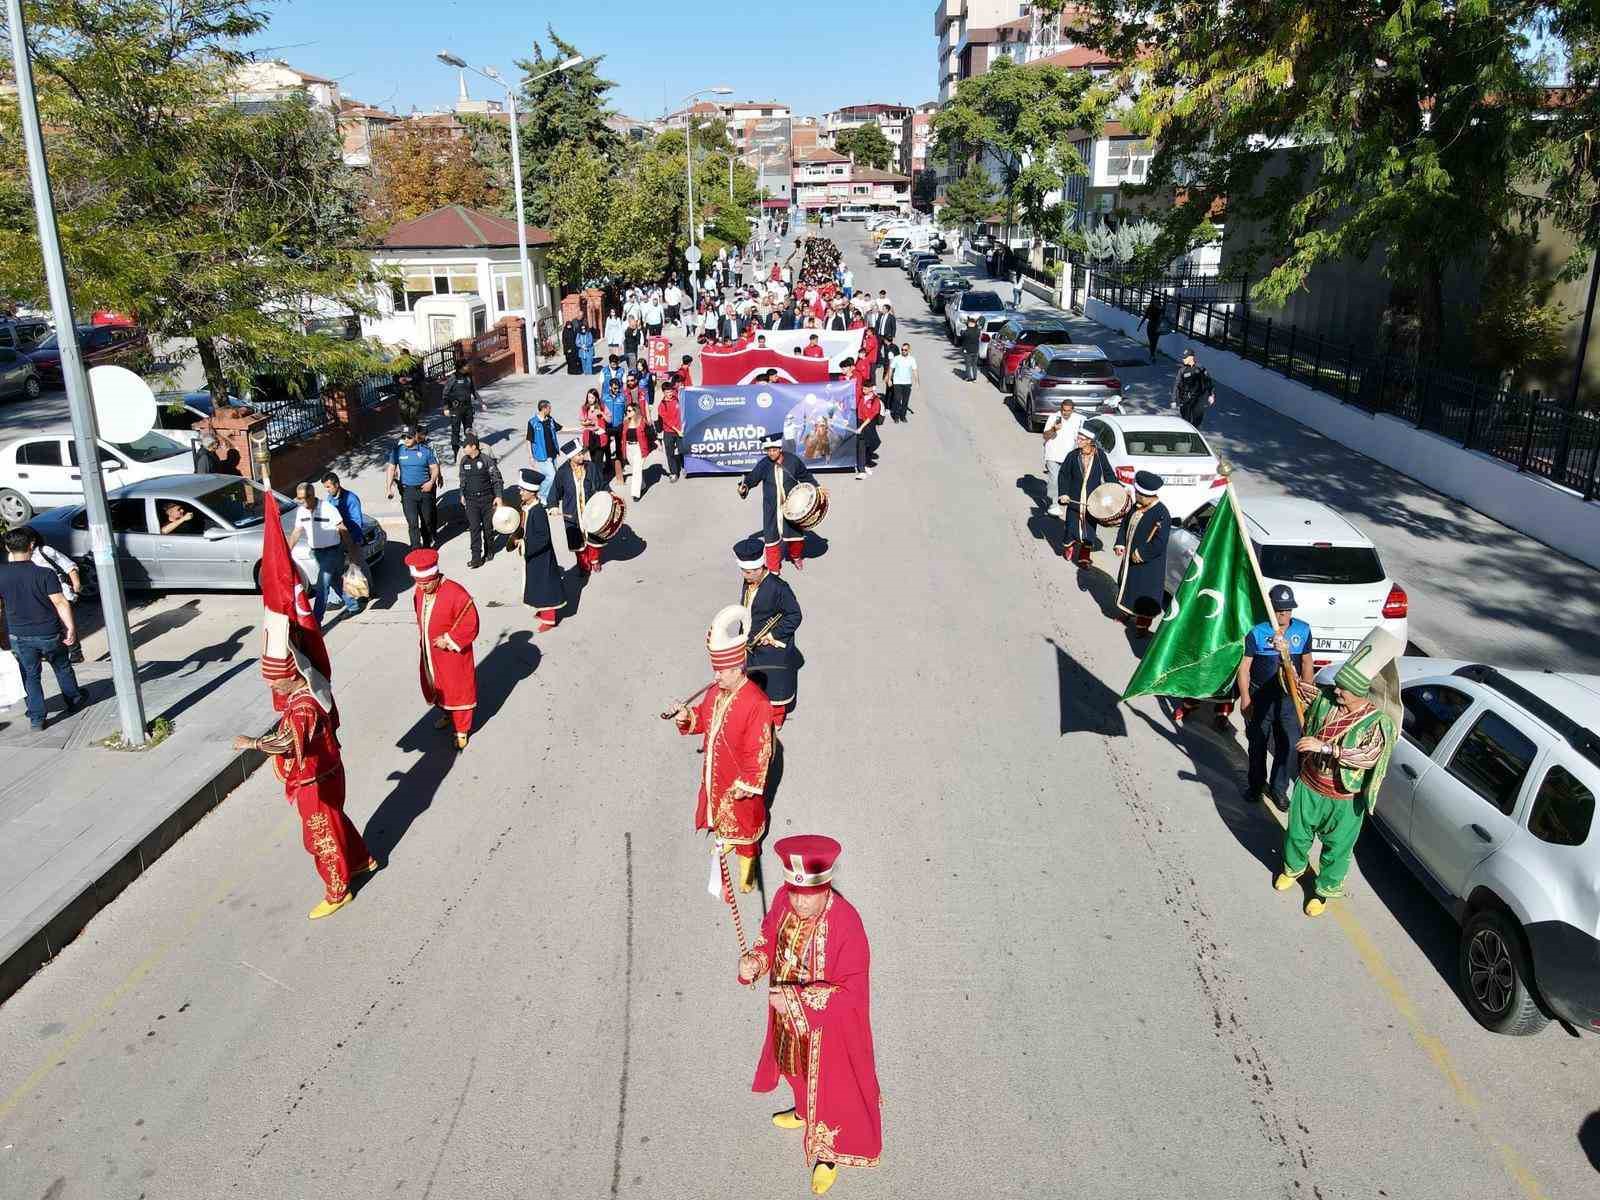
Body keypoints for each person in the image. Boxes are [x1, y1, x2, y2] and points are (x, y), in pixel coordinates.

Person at [737, 834, 882, 1197]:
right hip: (787, 1019)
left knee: (831, 1091)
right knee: (792, 1069)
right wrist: (756, 961)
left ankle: (826, 1155)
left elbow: (852, 992)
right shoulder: (785, 901)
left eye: (809, 895)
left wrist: (797, 1002)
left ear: (826, 886)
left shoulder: (848, 923)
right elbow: (769, 936)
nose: (800, 902)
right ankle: (802, 1111)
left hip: (827, 1032)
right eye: (795, 893)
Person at [232, 635, 374, 920]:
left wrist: (253, 743)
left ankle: (338, 890)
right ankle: (360, 860)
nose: (271, 686)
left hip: (315, 781)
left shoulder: (303, 708)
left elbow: (287, 742)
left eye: (275, 681)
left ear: (292, 676)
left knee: (321, 836)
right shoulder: (311, 692)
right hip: (329, 772)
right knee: (336, 821)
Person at [1274, 628, 1401, 917]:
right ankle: (1293, 868)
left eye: (1343, 688)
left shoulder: (1378, 722)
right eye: (1338, 686)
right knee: (1296, 833)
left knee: (1336, 848)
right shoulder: (1326, 698)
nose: (1337, 690)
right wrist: (1284, 656)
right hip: (1310, 784)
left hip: (1344, 798)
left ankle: (1322, 890)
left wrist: (1327, 749)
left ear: (1359, 692)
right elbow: (1296, 687)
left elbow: (1369, 757)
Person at [664, 604, 773, 894]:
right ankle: (725, 858)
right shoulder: (716, 691)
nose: (716, 676)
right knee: (722, 824)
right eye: (715, 670)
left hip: (738, 783)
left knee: (745, 832)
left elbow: (760, 752)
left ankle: (747, 874)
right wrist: (688, 717)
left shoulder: (758, 704)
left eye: (722, 670)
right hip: (716, 775)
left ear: (739, 669)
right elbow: (703, 719)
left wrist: (748, 785)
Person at [1238, 584, 1315, 811]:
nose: (1284, 614)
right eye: (1279, 610)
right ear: (1270, 608)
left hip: (1289, 699)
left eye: (1287, 610)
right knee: (1258, 742)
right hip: (1260, 696)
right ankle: (1255, 785)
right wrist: (1245, 698)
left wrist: (1306, 694)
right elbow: (1244, 667)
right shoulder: (1257, 631)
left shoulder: (1303, 630)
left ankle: (1278, 789)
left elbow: (1307, 662)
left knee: (1289, 745)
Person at [0, 526, 85, 730]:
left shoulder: (1, 574)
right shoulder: (45, 574)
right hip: (48, 631)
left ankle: (37, 718)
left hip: (19, 634)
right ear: (31, 545)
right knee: (62, 666)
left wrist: (2, 632)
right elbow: (60, 603)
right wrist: (70, 628)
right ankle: (74, 700)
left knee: (29, 675)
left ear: (7, 548)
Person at [406, 548, 478, 750]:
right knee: (438, 686)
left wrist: (450, 639)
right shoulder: (419, 591)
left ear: (436, 575)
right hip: (430, 651)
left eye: (426, 583)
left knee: (458, 690)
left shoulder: (457, 593)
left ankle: (462, 729)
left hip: (452, 654)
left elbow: (470, 623)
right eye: (419, 583)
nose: (423, 587)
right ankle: (448, 714)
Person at [733, 536, 803, 728]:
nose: (744, 575)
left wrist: (772, 635)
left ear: (759, 568)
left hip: (773, 648)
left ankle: (776, 718)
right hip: (752, 644)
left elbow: (794, 615)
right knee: (755, 683)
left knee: (775, 685)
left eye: (747, 572)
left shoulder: (779, 588)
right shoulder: (748, 582)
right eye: (743, 571)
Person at [739, 432, 818, 573]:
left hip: (792, 506)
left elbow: (805, 476)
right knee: (771, 540)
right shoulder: (764, 464)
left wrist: (818, 489)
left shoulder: (793, 461)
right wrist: (744, 487)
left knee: (796, 538)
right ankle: (774, 568)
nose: (771, 453)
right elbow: (752, 478)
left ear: (780, 449)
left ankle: (796, 556)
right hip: (771, 508)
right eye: (768, 450)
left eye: (774, 450)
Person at [287, 481, 361, 620]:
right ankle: (353, 605)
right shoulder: (301, 511)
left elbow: (343, 529)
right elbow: (297, 532)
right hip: (317, 553)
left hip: (333, 551)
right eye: (299, 498)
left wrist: (351, 550)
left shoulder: (328, 508)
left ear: (312, 495)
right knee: (334, 581)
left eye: (304, 498)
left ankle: (316, 620)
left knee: (322, 585)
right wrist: (287, 551)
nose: (301, 502)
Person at [1112, 471, 1170, 635]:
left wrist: (1142, 554)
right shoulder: (1136, 507)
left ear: (1147, 496)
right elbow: (1125, 525)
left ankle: (1142, 625)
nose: (1135, 495)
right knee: (1128, 586)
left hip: (1148, 565)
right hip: (1130, 559)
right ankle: (1127, 613)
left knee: (1145, 594)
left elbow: (1159, 542)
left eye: (1138, 494)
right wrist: (1120, 543)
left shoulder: (1162, 514)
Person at [511, 470, 564, 632]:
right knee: (534, 583)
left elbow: (543, 538)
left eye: (522, 490)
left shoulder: (538, 511)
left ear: (532, 493)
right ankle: (541, 608)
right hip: (533, 555)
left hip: (542, 555)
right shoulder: (527, 507)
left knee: (544, 585)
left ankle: (549, 619)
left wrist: (525, 544)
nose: (520, 493)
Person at [548, 439, 610, 577]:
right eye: (579, 454)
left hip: (591, 508)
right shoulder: (562, 472)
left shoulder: (591, 467)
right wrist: (552, 506)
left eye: (583, 453)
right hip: (573, 512)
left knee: (594, 535)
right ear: (571, 457)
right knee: (577, 539)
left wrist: (610, 495)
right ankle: (583, 564)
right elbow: (555, 491)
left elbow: (602, 484)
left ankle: (594, 560)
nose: (583, 457)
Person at [1057, 427, 1116, 569]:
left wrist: (1116, 489)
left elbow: (1108, 474)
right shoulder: (1072, 456)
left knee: (1089, 529)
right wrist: (1063, 493)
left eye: (1081, 439)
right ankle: (1069, 545)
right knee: (1071, 525)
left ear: (1090, 441)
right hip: (1074, 497)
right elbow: (1064, 475)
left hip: (1092, 499)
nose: (1078, 441)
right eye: (1077, 438)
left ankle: (1084, 557)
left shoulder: (1100, 456)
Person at [23, 527, 83, 662]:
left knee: (63, 622)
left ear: (32, 541)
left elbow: (68, 565)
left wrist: (76, 584)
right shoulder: (18, 556)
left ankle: (75, 652)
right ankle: (53, 651)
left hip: (59, 593)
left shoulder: (45, 551)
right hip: (39, 597)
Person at [386, 425, 441, 550]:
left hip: (424, 491)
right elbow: (391, 468)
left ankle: (427, 545)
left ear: (415, 437)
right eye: (404, 437)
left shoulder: (425, 451)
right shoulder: (398, 451)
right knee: (412, 523)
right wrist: (389, 488)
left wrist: (431, 482)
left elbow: (434, 467)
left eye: (409, 437)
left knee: (426, 521)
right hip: (408, 492)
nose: (406, 439)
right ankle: (416, 549)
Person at [456, 433, 505, 569]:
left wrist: (498, 496)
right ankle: (476, 557)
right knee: (474, 529)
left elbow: (497, 479)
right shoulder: (464, 461)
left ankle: (490, 550)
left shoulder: (486, 460)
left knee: (488, 528)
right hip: (471, 500)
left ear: (473, 447)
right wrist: (462, 494)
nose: (463, 449)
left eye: (465, 446)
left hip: (486, 499)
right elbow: (462, 480)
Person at [524, 399, 563, 505]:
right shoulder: (532, 422)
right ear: (544, 408)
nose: (551, 410)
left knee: (550, 477)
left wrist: (580, 428)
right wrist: (530, 457)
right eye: (549, 408)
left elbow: (561, 428)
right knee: (551, 476)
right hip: (542, 456)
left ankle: (550, 496)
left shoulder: (550, 420)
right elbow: (529, 441)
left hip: (552, 454)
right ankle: (542, 496)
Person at [1042, 395, 1082, 491]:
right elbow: (1045, 436)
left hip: (1068, 456)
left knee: (1066, 480)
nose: (1066, 413)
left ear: (1073, 410)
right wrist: (1054, 429)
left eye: (1068, 411)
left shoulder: (1078, 419)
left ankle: (1063, 498)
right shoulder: (1054, 417)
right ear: (1061, 409)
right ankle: (1053, 504)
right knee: (1054, 480)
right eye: (1064, 410)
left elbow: (1079, 436)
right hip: (1053, 455)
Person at [620, 399, 655, 503]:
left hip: (639, 448)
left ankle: (635, 493)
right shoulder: (626, 422)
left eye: (630, 410)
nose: (627, 412)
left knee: (636, 470)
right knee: (636, 469)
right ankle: (643, 485)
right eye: (627, 411)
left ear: (636, 411)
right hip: (629, 448)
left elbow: (650, 433)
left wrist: (657, 442)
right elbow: (622, 435)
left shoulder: (642, 421)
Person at [1173, 348, 1217, 427]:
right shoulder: (1182, 370)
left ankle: (1194, 431)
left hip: (1199, 399)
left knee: (1197, 420)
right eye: (1183, 357)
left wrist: (1211, 395)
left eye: (1185, 357)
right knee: (1185, 421)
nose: (1183, 359)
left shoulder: (1200, 368)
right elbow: (1177, 385)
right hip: (1185, 399)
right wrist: (1174, 400)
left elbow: (1208, 382)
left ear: (1191, 358)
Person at [443, 367, 479, 460]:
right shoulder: (453, 377)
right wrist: (446, 408)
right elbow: (445, 393)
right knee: (455, 431)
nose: (468, 367)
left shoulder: (468, 377)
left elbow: (473, 390)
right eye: (467, 365)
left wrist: (480, 401)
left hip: (467, 408)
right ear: (461, 367)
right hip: (455, 409)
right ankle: (456, 454)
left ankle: (471, 451)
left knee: (469, 430)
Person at [658, 378, 686, 482]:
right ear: (663, 392)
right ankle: (674, 473)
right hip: (669, 432)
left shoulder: (676, 399)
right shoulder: (661, 406)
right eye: (667, 392)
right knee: (670, 454)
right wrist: (677, 430)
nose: (670, 393)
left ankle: (684, 466)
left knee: (682, 450)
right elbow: (667, 421)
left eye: (671, 391)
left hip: (680, 430)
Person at [887, 341, 917, 422]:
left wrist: (917, 382)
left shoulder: (912, 359)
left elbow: (915, 370)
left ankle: (903, 416)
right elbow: (891, 368)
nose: (903, 351)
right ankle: (896, 416)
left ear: (909, 350)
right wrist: (889, 379)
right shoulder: (897, 358)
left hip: (907, 383)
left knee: (905, 401)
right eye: (902, 349)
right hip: (897, 382)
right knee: (897, 399)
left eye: (905, 350)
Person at [1137, 292, 1164, 361]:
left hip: (1157, 327)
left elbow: (1163, 318)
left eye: (1157, 301)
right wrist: (1139, 326)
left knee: (1155, 342)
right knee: (1151, 341)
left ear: (1158, 302)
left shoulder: (1161, 309)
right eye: (1154, 301)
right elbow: (1145, 317)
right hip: (1150, 326)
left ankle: (1152, 355)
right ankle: (1152, 355)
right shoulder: (1150, 308)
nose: (1155, 303)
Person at [961, 314, 983, 381]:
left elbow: (961, 333)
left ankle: (969, 378)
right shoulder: (978, 331)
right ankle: (975, 378)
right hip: (975, 350)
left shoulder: (966, 332)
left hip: (967, 351)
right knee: (974, 365)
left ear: (968, 324)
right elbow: (977, 327)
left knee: (968, 365)